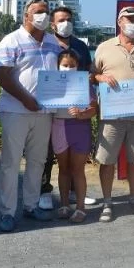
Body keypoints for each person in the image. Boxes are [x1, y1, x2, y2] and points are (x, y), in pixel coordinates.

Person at [0, 0, 62, 232]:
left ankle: (31, 206)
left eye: (46, 11)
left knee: (38, 161)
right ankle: (7, 212)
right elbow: (0, 74)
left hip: (44, 113)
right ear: (26, 16)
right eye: (38, 11)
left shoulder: (54, 43)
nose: (43, 15)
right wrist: (25, 99)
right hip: (15, 111)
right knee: (11, 163)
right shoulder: (12, 40)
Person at [94, 6, 134, 222]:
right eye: (130, 19)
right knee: (107, 160)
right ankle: (107, 202)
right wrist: (100, 78)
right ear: (119, 22)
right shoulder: (103, 47)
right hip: (111, 116)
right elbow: (91, 75)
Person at [39, 6, 95, 210]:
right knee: (46, 152)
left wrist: (87, 81)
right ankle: (44, 190)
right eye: (61, 20)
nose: (66, 23)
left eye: (69, 19)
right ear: (52, 24)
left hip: (76, 111)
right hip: (51, 109)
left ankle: (73, 193)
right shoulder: (45, 44)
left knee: (74, 160)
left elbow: (88, 71)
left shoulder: (80, 45)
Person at [52, 49, 97, 223]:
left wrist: (81, 113)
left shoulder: (83, 83)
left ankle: (80, 208)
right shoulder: (51, 83)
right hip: (59, 126)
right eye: (65, 65)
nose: (68, 68)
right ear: (58, 66)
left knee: (78, 170)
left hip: (80, 128)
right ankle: (64, 205)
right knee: (63, 168)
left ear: (78, 67)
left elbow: (94, 108)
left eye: (72, 66)